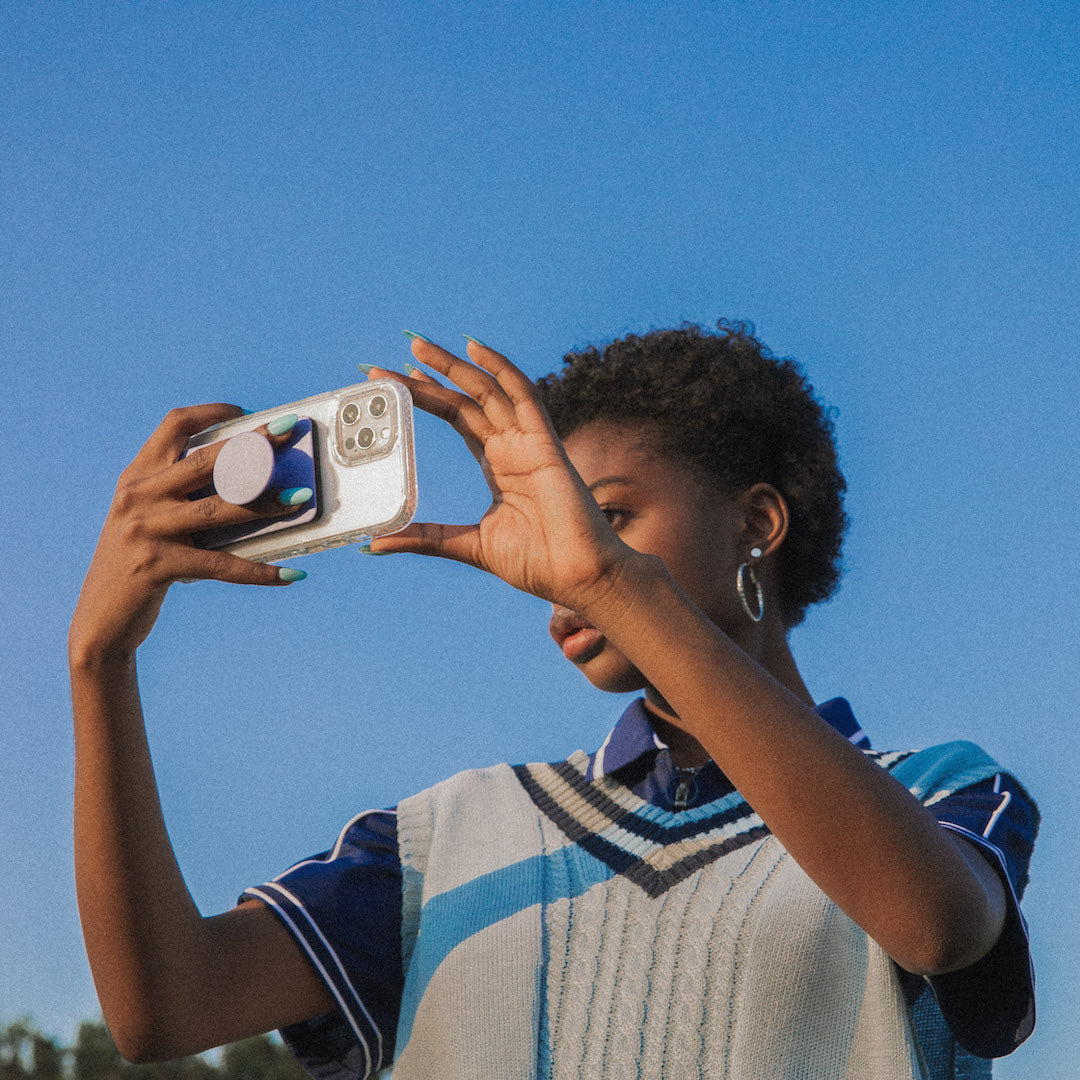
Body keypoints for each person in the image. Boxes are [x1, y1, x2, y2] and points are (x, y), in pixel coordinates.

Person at [69, 321, 1037, 1080]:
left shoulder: (939, 790)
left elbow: (936, 927)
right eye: (559, 524)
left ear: (758, 523)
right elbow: (164, 1007)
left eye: (606, 515)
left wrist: (615, 583)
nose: (571, 558)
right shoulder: (440, 841)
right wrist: (98, 666)